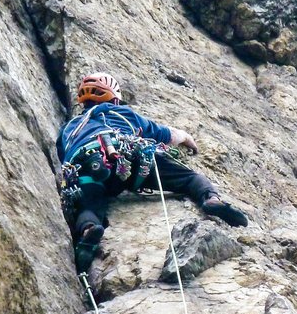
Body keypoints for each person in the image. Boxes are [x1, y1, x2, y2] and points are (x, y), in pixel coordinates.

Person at [57, 72, 248, 272]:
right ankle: (210, 199)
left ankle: (89, 230)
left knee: (89, 204)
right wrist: (185, 137)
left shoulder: (68, 128)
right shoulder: (121, 113)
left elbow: (63, 156)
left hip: (87, 167)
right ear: (114, 97)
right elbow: (167, 135)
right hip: (128, 157)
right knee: (188, 178)